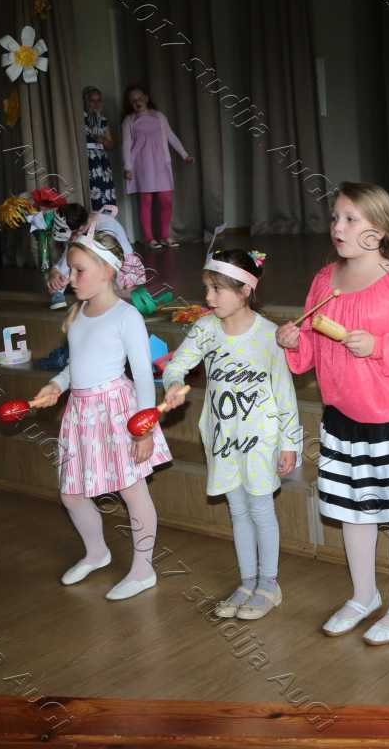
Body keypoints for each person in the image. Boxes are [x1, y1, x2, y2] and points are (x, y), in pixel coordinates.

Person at [275, 181, 389, 645]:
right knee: (354, 512)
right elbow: (310, 347)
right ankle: (364, 595)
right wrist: (293, 341)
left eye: (351, 219)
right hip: (343, 422)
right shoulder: (323, 280)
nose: (338, 227)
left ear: (379, 229)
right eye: (336, 218)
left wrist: (378, 346)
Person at [30, 224, 172, 601]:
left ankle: (143, 569)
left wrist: (143, 429)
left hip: (116, 413)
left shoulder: (127, 317)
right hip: (81, 413)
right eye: (70, 269)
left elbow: (143, 376)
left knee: (132, 490)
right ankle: (96, 552)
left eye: (79, 270)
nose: (70, 278)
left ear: (107, 271)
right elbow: (75, 365)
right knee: (72, 493)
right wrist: (56, 385)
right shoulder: (78, 313)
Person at [161, 248, 300, 621]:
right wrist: (173, 384)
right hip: (222, 438)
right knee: (237, 510)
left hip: (261, 439)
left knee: (260, 509)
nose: (208, 297)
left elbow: (284, 394)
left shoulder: (269, 335)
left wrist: (290, 443)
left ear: (244, 291)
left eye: (217, 289)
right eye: (207, 288)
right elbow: (175, 366)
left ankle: (269, 585)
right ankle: (247, 581)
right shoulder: (206, 329)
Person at [121, 83, 192, 250]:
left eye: (139, 98)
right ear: (130, 104)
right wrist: (128, 167)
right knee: (146, 200)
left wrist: (184, 154)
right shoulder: (129, 120)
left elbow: (171, 136)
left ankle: (165, 236)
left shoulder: (159, 116)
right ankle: (149, 238)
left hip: (161, 163)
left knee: (166, 199)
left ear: (146, 98)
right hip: (142, 165)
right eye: (133, 101)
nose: (137, 102)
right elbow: (126, 144)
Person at [46, 204, 146, 309]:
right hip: (96, 263)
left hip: (118, 265)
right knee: (73, 253)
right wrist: (56, 272)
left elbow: (105, 259)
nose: (71, 238)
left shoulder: (106, 228)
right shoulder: (83, 226)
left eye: (73, 235)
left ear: (80, 229)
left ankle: (120, 295)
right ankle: (58, 286)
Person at [83, 86, 116, 212]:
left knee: (105, 192)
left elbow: (111, 145)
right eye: (92, 101)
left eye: (98, 100)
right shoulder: (81, 119)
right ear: (86, 102)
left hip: (102, 162)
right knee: (92, 193)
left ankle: (105, 219)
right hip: (88, 159)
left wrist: (103, 140)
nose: (96, 104)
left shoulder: (103, 120)